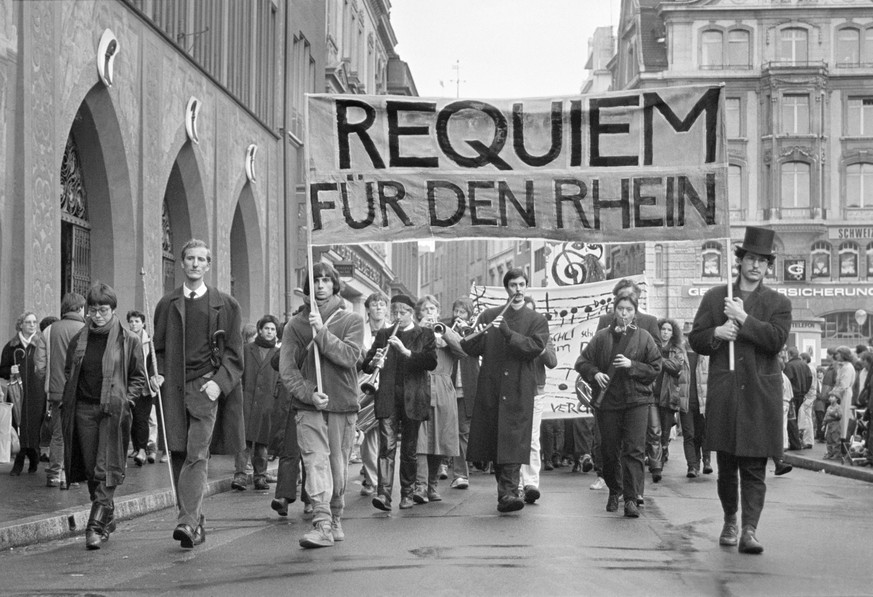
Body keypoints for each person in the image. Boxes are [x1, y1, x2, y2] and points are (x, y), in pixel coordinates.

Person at [688, 226, 791, 555]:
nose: (757, 265)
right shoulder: (716, 297)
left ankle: (750, 529)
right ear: (741, 260)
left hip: (760, 395)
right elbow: (696, 339)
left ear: (768, 266)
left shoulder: (778, 302)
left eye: (763, 261)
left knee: (754, 466)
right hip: (727, 391)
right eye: (751, 258)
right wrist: (717, 331)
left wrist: (743, 317)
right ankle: (730, 519)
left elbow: (775, 340)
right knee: (727, 464)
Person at [152, 238, 245, 549]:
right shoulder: (167, 304)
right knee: (178, 452)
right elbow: (159, 349)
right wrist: (156, 373)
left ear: (208, 265)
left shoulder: (226, 305)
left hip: (206, 388)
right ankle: (194, 521)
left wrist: (218, 382)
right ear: (181, 263)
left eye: (200, 259)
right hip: (173, 389)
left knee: (196, 453)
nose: (194, 264)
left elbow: (234, 353)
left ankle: (187, 522)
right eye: (189, 258)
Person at [280, 263, 363, 548]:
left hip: (342, 405)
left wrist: (321, 332)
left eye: (326, 280)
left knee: (337, 466)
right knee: (315, 462)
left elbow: (350, 357)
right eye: (315, 280)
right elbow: (288, 370)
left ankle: (336, 516)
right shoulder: (294, 325)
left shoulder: (351, 320)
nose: (321, 285)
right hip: (309, 407)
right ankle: (322, 522)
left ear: (335, 285)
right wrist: (309, 393)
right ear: (308, 287)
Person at [61, 282, 147, 549]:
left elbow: (138, 378)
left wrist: (126, 401)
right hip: (84, 410)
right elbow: (69, 372)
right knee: (90, 469)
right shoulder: (79, 338)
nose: (97, 315)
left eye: (103, 310)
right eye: (93, 310)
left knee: (105, 468)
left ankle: (95, 527)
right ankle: (106, 513)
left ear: (113, 310)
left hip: (113, 412)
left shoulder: (128, 340)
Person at [461, 268, 549, 514]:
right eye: (513, 285)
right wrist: (466, 332)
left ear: (527, 286)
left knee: (513, 442)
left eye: (522, 284)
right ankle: (505, 493)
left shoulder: (536, 320)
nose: (518, 290)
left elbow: (534, 347)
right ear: (506, 288)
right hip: (493, 387)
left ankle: (508, 494)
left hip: (520, 388)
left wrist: (508, 334)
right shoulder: (490, 314)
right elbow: (471, 347)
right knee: (496, 442)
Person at [576, 293, 661, 518]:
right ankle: (615, 489)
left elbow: (655, 368)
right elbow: (582, 363)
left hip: (637, 401)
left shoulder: (644, 337)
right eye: (621, 309)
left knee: (634, 449)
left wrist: (631, 364)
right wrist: (595, 375)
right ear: (614, 311)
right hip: (609, 402)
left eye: (629, 310)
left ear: (635, 313)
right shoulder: (602, 337)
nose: (624, 314)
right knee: (610, 449)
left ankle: (631, 499)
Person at [362, 294, 437, 511]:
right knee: (386, 447)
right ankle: (383, 495)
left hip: (414, 397)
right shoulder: (384, 334)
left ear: (411, 313)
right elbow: (366, 365)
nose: (398, 316)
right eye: (394, 312)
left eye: (402, 312)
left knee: (410, 450)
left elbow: (430, 362)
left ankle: (407, 493)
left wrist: (406, 352)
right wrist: (374, 360)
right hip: (388, 396)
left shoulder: (425, 334)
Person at [596, 279, 663, 485]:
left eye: (631, 297)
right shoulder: (606, 320)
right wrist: (596, 373)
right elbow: (596, 355)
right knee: (609, 444)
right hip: (611, 394)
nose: (625, 307)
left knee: (639, 442)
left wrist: (633, 365)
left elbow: (656, 357)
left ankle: (635, 491)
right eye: (622, 297)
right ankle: (610, 483)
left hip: (638, 391)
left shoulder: (649, 321)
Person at [412, 295, 462, 505]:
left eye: (433, 309)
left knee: (441, 440)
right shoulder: (414, 332)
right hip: (421, 386)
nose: (430, 313)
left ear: (439, 313)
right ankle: (420, 486)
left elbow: (463, 350)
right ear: (419, 314)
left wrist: (445, 332)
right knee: (421, 441)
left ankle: (433, 485)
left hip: (443, 388)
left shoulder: (447, 333)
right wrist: (420, 332)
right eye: (425, 309)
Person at [34, 293, 86, 487]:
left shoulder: (48, 330)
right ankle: (71, 474)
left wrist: (49, 379)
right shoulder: (86, 329)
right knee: (77, 434)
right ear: (80, 308)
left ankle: (54, 473)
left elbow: (39, 366)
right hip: (80, 391)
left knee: (58, 434)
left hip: (56, 391)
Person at [234, 315, 281, 492]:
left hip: (268, 401)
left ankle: (260, 476)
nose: (269, 332)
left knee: (262, 441)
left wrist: (276, 397)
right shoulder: (247, 349)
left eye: (273, 329)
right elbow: (238, 372)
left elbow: (281, 378)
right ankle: (240, 475)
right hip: (246, 398)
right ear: (260, 330)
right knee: (242, 438)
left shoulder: (278, 353)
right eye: (267, 328)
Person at [519, 296, 556, 504]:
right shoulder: (513, 336)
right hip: (515, 391)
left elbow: (552, 361)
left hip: (536, 390)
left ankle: (531, 483)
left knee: (532, 439)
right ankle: (515, 483)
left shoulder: (543, 335)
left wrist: (539, 347)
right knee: (516, 438)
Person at [1, 311, 47, 476]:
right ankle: (19, 460)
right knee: (18, 424)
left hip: (37, 391)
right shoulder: (11, 346)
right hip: (16, 392)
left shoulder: (41, 343)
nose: (32, 325)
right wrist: (9, 370)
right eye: (28, 322)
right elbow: (2, 369)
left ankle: (34, 454)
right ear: (20, 324)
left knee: (34, 424)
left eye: (34, 322)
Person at [357, 293, 389, 497]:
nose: (378, 308)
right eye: (374, 305)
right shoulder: (359, 331)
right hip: (363, 387)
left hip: (386, 387)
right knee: (367, 434)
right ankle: (373, 480)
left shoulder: (393, 330)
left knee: (386, 437)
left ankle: (380, 480)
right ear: (367, 309)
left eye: (382, 305)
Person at [447, 297, 479, 490]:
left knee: (462, 432)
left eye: (462, 312)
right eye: (456, 312)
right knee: (448, 430)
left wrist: (466, 330)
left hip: (467, 388)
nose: (458, 316)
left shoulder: (474, 332)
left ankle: (461, 474)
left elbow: (473, 351)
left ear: (469, 315)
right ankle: (446, 467)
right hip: (449, 387)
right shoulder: (445, 331)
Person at [654, 318, 688, 475]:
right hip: (653, 393)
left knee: (665, 431)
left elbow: (675, 367)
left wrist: (658, 360)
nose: (665, 332)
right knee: (654, 430)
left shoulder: (677, 350)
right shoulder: (653, 346)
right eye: (663, 329)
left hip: (668, 395)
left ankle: (662, 454)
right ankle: (656, 462)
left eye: (669, 330)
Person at [126, 310, 156, 468]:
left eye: (137, 321)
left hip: (144, 387)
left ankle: (143, 450)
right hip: (129, 386)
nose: (134, 324)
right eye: (131, 321)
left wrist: (153, 380)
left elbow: (153, 364)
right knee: (130, 419)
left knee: (141, 419)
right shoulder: (125, 340)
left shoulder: (149, 342)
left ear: (143, 323)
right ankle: (138, 448)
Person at [683, 346, 711, 475]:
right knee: (689, 435)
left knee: (703, 434)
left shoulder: (706, 356)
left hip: (703, 402)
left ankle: (706, 461)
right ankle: (692, 466)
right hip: (685, 402)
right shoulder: (680, 355)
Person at [783, 346, 811, 451]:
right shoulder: (805, 365)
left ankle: (794, 443)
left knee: (791, 420)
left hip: (792, 396)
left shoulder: (789, 366)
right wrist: (804, 392)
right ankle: (796, 442)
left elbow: (788, 381)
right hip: (801, 395)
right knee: (796, 419)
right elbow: (809, 379)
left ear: (789, 354)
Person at [822, 393, 842, 459]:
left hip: (835, 425)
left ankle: (836, 453)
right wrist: (824, 424)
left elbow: (839, 416)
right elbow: (826, 416)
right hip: (829, 425)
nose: (830, 398)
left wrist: (832, 413)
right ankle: (829, 453)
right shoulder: (829, 407)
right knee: (829, 439)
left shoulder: (838, 407)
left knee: (835, 439)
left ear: (836, 399)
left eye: (832, 397)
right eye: (830, 397)